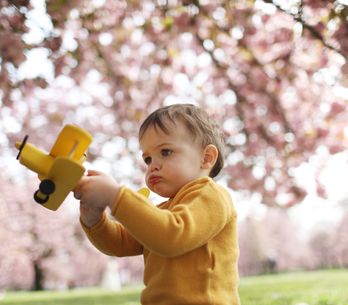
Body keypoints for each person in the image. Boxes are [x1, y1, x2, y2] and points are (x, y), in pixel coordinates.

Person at [74, 103, 240, 305]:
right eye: (147, 158)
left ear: (206, 158)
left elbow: (173, 235)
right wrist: (94, 219)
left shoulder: (212, 196)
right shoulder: (163, 211)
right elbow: (120, 243)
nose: (153, 166)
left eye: (166, 152)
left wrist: (115, 195)